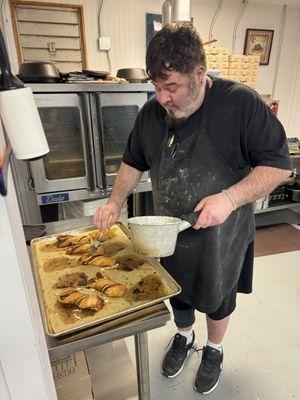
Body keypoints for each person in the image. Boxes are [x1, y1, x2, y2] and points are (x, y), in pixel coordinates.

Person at [93, 24, 291, 394]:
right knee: (177, 291)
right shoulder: (152, 112)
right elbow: (133, 161)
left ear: (200, 75)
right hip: (168, 231)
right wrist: (114, 202)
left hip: (222, 235)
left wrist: (229, 199)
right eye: (156, 86)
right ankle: (184, 336)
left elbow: (278, 166)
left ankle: (214, 349)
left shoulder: (240, 104)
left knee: (218, 297)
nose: (162, 97)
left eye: (172, 87)